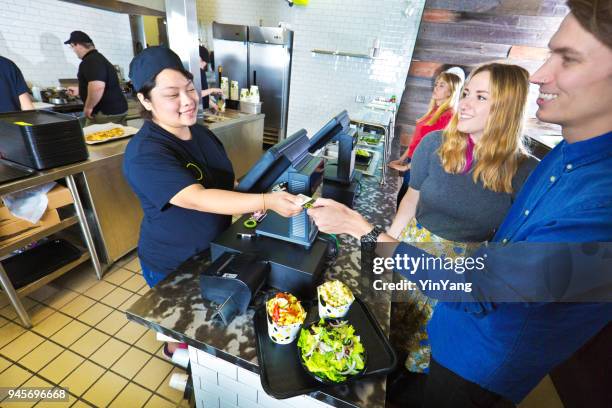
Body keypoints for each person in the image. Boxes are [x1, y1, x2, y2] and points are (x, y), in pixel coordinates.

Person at [307, 1, 612, 406]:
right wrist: (379, 252)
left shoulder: (591, 195)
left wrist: (360, 228)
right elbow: (418, 211)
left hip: (473, 362)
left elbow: (481, 290)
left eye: (568, 59)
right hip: (440, 295)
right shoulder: (564, 157)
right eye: (465, 92)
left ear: (504, 108)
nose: (540, 75)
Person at [387, 62, 537, 385]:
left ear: (507, 108)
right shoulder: (434, 145)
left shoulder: (525, 173)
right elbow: (410, 201)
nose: (464, 103)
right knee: (391, 331)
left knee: (431, 349)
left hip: (461, 273)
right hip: (413, 250)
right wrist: (387, 243)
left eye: (481, 97)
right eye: (466, 93)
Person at [123, 46, 303, 288]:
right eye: (172, 95)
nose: (188, 101)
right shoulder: (145, 154)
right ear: (145, 100)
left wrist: (262, 198)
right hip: (174, 263)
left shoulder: (200, 133)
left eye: (189, 89)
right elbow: (197, 198)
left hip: (214, 246)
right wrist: (265, 201)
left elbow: (227, 183)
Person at [388, 71, 463, 207]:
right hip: (414, 161)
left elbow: (435, 151)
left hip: (421, 166)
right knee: (401, 199)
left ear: (450, 92)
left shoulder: (448, 115)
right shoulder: (435, 110)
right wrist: (402, 159)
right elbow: (416, 139)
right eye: (436, 84)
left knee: (406, 203)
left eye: (441, 86)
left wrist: (407, 167)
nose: (435, 88)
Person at [64, 31, 128, 126]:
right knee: (118, 136)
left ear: (76, 45)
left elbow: (97, 87)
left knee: (94, 138)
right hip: (115, 110)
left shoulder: (90, 61)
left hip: (104, 113)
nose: (73, 50)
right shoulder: (98, 58)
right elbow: (102, 84)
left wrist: (88, 107)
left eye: (72, 47)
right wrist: (80, 90)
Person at [199, 45, 222, 112]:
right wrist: (212, 90)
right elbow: (197, 94)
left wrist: (214, 105)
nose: (204, 65)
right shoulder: (192, 74)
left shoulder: (201, 72)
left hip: (204, 110)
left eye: (205, 63)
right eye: (202, 62)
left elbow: (204, 94)